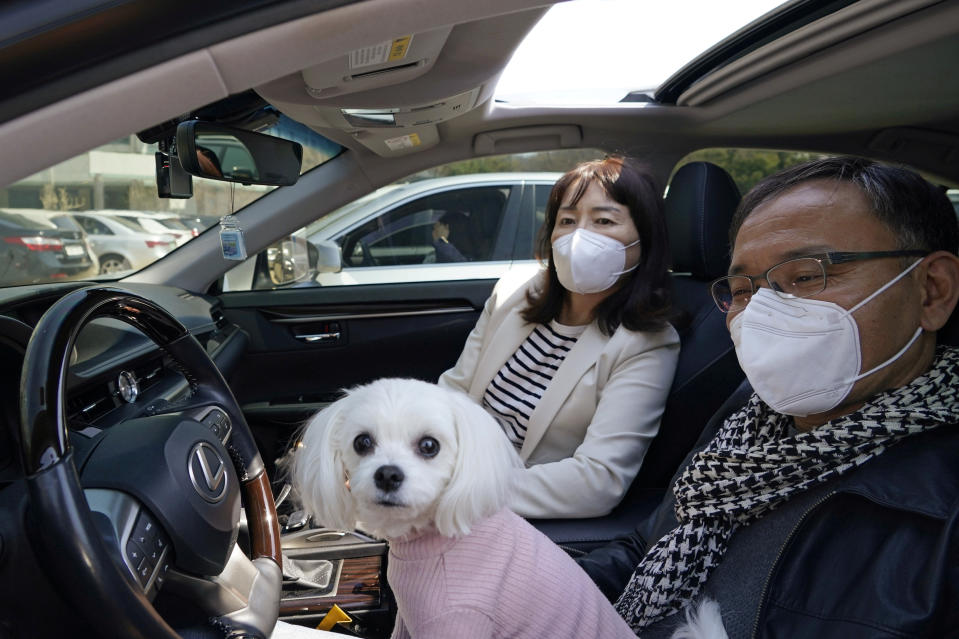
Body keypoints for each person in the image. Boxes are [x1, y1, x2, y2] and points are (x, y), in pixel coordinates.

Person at [576, 157, 959, 637]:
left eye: (805, 276)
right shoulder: (749, 416)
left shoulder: (942, 510)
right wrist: (531, 590)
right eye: (741, 289)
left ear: (932, 292)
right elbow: (648, 546)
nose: (760, 313)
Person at [439, 156, 680, 519]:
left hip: (499, 508)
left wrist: (457, 492)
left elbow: (597, 481)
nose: (579, 236)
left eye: (604, 220)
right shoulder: (513, 293)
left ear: (644, 240)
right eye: (567, 220)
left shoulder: (647, 343)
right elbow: (453, 393)